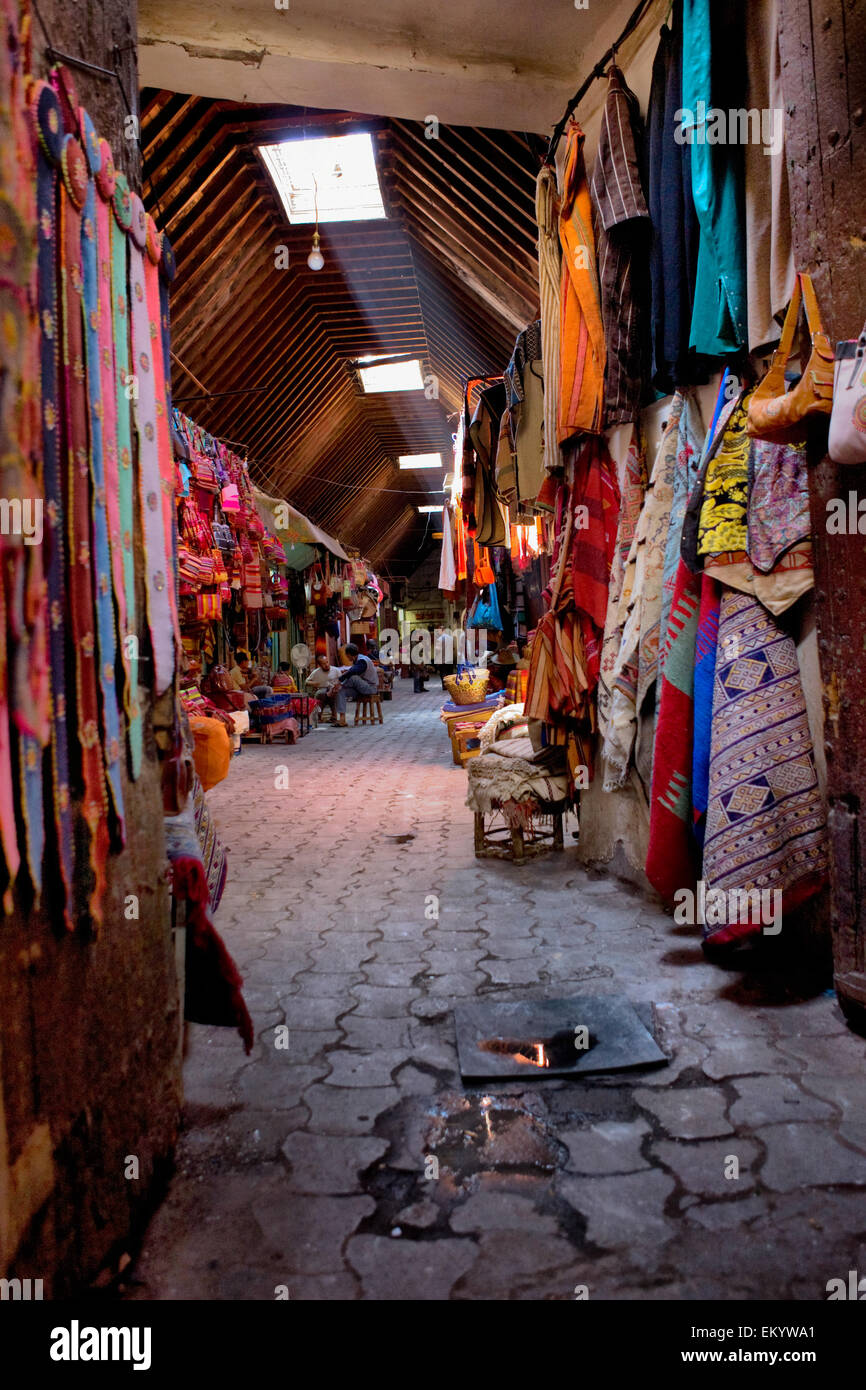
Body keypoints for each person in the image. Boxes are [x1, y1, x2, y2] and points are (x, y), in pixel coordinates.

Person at [333, 642, 378, 726]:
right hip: (360, 688)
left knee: (353, 677)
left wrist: (340, 681)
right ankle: (342, 719)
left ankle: (336, 687)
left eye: (347, 655)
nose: (347, 657)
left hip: (370, 688)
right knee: (341, 691)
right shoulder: (357, 661)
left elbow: (353, 672)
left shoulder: (362, 661)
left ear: (350, 654)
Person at [304, 653, 341, 720]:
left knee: (334, 695)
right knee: (321, 693)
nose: (326, 665)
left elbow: (341, 682)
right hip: (322, 691)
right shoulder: (316, 672)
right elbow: (306, 682)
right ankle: (319, 715)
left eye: (327, 662)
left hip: (333, 690)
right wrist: (315, 683)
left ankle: (334, 715)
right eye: (323, 664)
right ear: (319, 665)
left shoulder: (336, 670)